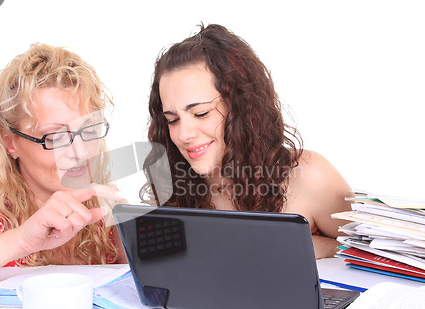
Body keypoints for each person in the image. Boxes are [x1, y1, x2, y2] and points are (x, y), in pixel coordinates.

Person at [0, 43, 127, 303]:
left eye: (88, 131)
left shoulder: (103, 208)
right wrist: (22, 240)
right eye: (55, 136)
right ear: (10, 142)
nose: (80, 152)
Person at [144, 24, 351, 259]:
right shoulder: (174, 184)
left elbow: (376, 255)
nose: (184, 134)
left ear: (240, 107)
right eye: (172, 120)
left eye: (201, 113)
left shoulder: (311, 176)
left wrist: (313, 247)